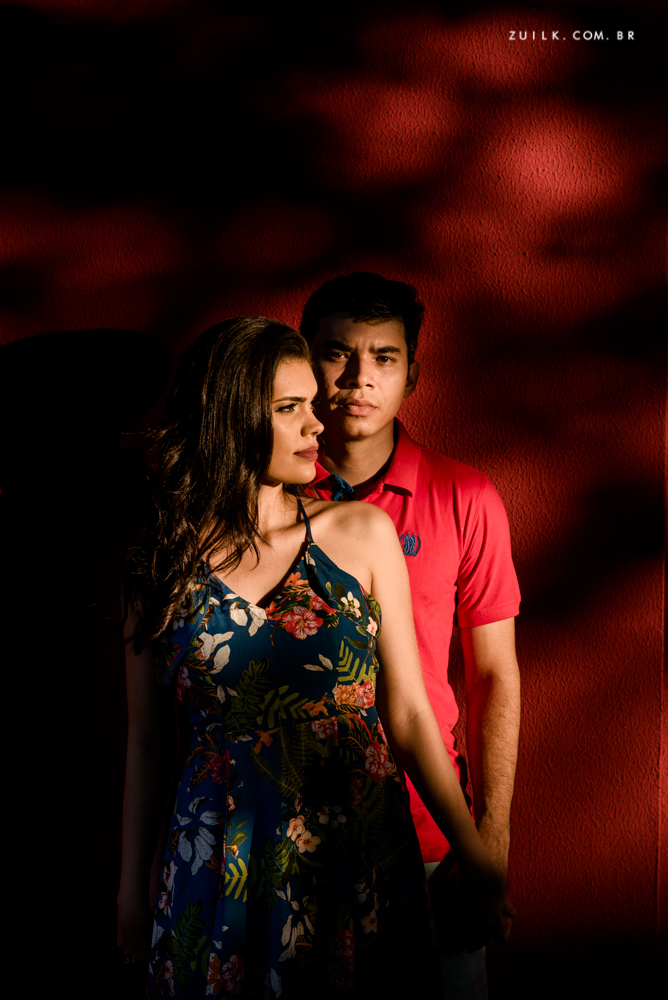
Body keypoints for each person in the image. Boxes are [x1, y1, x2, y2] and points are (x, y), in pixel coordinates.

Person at [117, 316, 511, 999]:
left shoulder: (361, 532)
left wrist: (478, 855)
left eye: (311, 403)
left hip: (355, 852)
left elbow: (410, 715)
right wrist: (131, 889)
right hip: (218, 859)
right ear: (234, 417)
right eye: (289, 408)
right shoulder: (160, 561)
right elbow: (149, 740)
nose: (316, 424)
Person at [300, 274, 522, 999]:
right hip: (291, 833)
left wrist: (487, 841)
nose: (359, 378)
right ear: (305, 362)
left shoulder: (466, 496)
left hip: (430, 833)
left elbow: (493, 676)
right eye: (337, 353)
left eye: (384, 358)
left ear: (413, 375)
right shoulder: (263, 499)